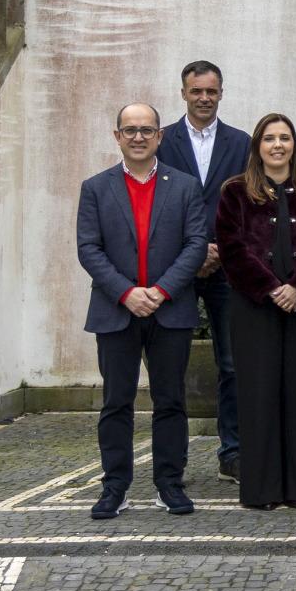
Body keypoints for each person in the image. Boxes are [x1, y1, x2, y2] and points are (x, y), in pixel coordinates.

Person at [76, 104, 208, 520]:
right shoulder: (96, 187)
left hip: (169, 310)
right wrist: (126, 292)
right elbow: (88, 248)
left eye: (146, 130)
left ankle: (170, 483)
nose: (138, 137)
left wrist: (162, 290)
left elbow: (196, 244)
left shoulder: (185, 186)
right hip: (117, 311)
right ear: (117, 136)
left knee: (171, 400)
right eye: (130, 130)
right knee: (117, 402)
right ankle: (114, 486)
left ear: (159, 136)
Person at [217, 112, 296, 510]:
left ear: (293, 145)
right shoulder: (235, 192)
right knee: (258, 394)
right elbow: (232, 249)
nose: (277, 145)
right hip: (254, 307)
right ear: (257, 146)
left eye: (284, 138)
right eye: (269, 138)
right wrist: (272, 288)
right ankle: (261, 490)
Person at [156, 59, 250, 479]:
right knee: (169, 362)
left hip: (228, 268)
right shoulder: (163, 142)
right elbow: (157, 209)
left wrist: (220, 250)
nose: (204, 98)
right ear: (183, 93)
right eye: (196, 91)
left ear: (221, 93)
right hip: (177, 267)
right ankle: (171, 459)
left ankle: (234, 452)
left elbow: (249, 206)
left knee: (233, 363)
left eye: (211, 91)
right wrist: (193, 255)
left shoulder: (241, 143)